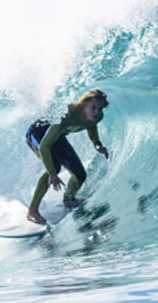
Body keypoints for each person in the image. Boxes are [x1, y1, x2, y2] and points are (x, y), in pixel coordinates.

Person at [24, 89, 110, 224]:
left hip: (57, 136)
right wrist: (52, 173)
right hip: (38, 134)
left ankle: (69, 199)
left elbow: (91, 127)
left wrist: (97, 145)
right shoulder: (66, 114)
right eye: (93, 107)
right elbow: (44, 146)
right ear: (83, 105)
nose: (96, 112)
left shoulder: (97, 116)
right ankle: (32, 210)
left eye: (100, 108)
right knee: (54, 167)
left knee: (80, 175)